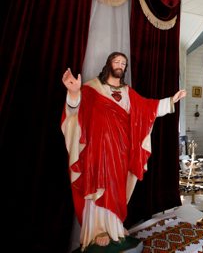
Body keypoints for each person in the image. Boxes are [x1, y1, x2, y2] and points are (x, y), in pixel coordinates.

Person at [61, 52, 186, 251]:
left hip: (120, 150)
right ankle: (98, 230)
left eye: (123, 63)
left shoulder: (128, 92)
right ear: (108, 64)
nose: (120, 65)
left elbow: (148, 108)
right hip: (97, 151)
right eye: (116, 61)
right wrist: (75, 93)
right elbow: (74, 114)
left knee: (116, 188)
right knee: (98, 185)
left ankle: (114, 226)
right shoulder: (91, 88)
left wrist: (171, 100)